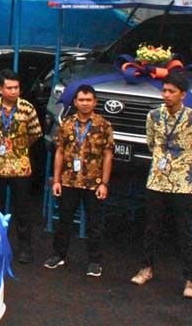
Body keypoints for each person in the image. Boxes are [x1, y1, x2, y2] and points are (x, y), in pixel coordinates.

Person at [130, 72, 192, 298]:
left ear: (183, 94)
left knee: (183, 230)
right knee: (151, 227)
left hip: (182, 182)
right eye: (164, 90)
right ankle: (146, 268)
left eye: (171, 92)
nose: (166, 95)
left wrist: (182, 160)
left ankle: (191, 279)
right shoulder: (154, 115)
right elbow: (151, 143)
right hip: (157, 179)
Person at [43, 85, 113, 276]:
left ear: (95, 102)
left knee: (94, 224)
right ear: (75, 102)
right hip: (69, 181)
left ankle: (95, 261)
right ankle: (58, 255)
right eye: (81, 100)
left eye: (88, 100)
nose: (85, 103)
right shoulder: (66, 124)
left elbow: (108, 155)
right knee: (64, 221)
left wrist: (104, 183)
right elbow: (59, 152)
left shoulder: (103, 125)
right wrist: (56, 180)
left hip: (93, 182)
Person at [0, 68, 42, 263]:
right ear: (0, 89)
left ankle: (25, 249)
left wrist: (17, 148)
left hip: (19, 165)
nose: (14, 91)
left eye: (16, 87)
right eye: (9, 88)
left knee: (22, 208)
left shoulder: (27, 108)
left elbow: (35, 134)